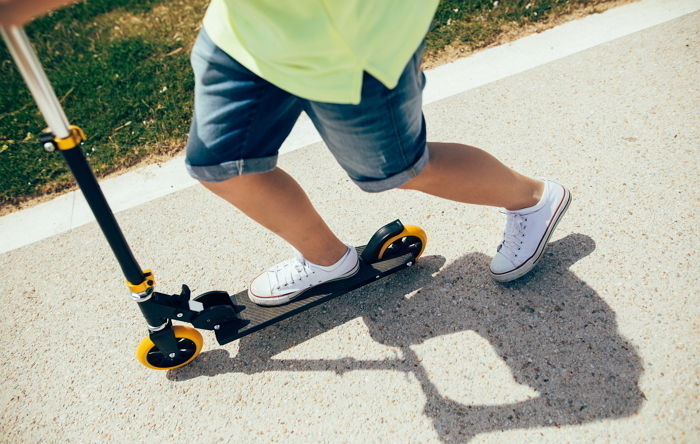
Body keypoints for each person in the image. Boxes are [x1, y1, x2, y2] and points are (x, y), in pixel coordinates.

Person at [1, 0, 571, 307]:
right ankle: (329, 260)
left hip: (354, 40)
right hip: (247, 34)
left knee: (395, 172)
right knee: (220, 164)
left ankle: (532, 199)